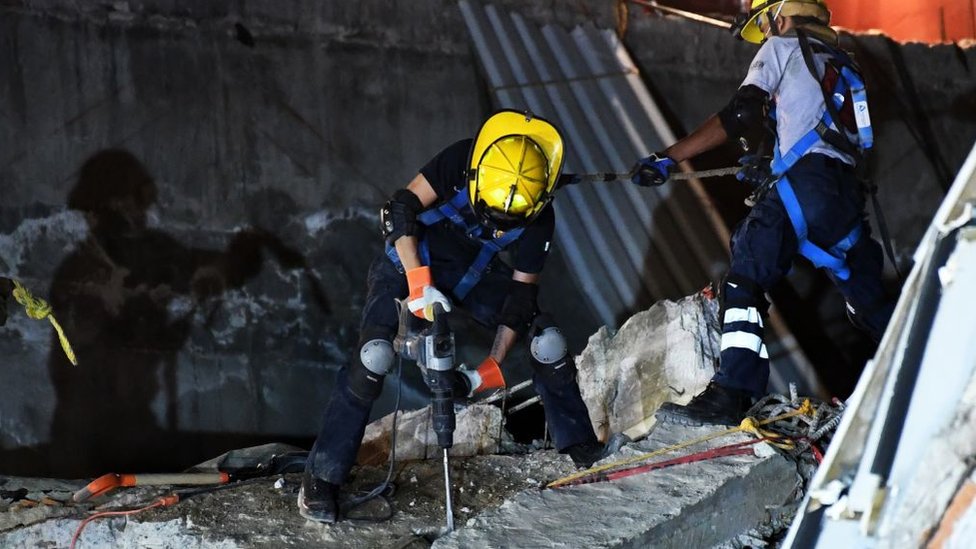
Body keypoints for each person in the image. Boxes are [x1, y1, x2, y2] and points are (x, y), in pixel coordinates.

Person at [299, 110, 605, 523]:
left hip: (472, 275)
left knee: (546, 340)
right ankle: (321, 478)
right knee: (373, 356)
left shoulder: (540, 215)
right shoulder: (462, 159)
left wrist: (487, 372)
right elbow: (399, 211)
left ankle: (581, 448)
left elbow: (519, 298)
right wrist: (420, 284)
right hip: (408, 261)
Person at [632, 0, 894, 426]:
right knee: (867, 298)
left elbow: (740, 113)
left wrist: (668, 157)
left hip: (804, 186)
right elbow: (819, 128)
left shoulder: (782, 47)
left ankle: (733, 391)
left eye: (768, 23)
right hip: (844, 194)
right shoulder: (842, 62)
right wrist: (769, 161)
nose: (768, 32)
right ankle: (912, 366)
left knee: (745, 277)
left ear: (781, 14)